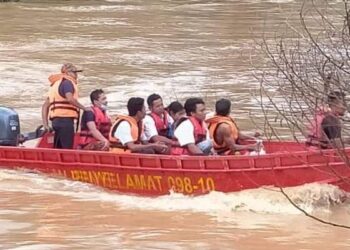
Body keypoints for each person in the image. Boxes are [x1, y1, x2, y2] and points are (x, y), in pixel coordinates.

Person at [41, 63, 90, 149]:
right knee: (67, 148)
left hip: (55, 122)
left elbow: (45, 106)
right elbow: (70, 99)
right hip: (65, 121)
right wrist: (84, 108)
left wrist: (45, 124)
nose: (76, 75)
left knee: (58, 149)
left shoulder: (55, 85)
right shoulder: (68, 83)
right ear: (67, 73)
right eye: (74, 72)